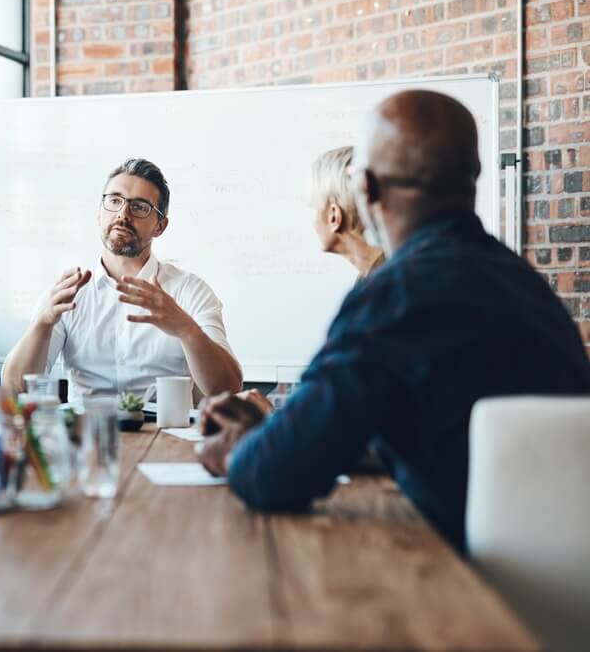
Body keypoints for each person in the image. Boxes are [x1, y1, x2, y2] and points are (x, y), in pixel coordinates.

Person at [198, 90, 590, 554]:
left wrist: (239, 449)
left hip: (468, 584)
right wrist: (273, 431)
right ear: (474, 179)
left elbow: (276, 475)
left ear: (366, 190)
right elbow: (426, 432)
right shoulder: (521, 283)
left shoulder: (395, 297)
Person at [2, 158, 242, 402]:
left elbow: (228, 387)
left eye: (139, 207)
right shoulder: (68, 292)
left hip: (166, 435)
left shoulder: (189, 291)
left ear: (160, 226)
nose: (123, 214)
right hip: (87, 433)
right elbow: (15, 387)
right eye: (114, 200)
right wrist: (42, 323)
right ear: (99, 213)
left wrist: (186, 329)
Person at [310, 145, 385, 279]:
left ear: (334, 216)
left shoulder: (383, 286)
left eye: (315, 206)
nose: (313, 222)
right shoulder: (372, 278)